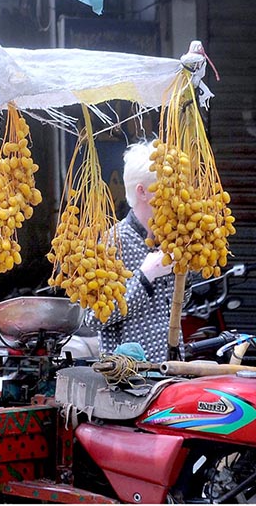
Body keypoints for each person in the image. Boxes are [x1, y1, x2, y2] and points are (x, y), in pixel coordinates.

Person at [82, 141, 180, 362]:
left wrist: (186, 271)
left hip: (171, 369)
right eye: (165, 188)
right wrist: (145, 277)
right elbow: (95, 318)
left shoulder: (169, 240)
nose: (173, 197)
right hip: (129, 378)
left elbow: (181, 302)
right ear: (142, 191)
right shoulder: (112, 242)